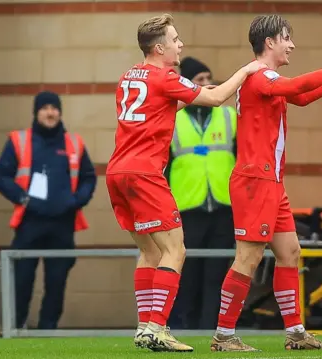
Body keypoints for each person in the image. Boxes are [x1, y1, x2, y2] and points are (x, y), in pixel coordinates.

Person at [105, 13, 265, 352]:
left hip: (118, 171)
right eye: (176, 40)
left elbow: (159, 107)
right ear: (160, 47)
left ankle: (144, 327)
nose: (181, 45)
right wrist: (247, 70)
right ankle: (158, 327)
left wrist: (193, 90)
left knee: (149, 250)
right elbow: (217, 97)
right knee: (175, 250)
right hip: (146, 173)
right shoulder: (166, 76)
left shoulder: (128, 76)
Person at [210, 14, 322, 352]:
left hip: (270, 180)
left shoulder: (266, 77)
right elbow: (296, 88)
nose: (292, 44)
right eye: (286, 38)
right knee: (247, 258)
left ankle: (295, 333)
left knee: (290, 253)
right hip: (255, 180)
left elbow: (302, 97)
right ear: (270, 42)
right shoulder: (259, 75)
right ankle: (223, 336)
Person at [0, 91, 96, 330]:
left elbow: (89, 178)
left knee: (57, 282)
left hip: (63, 223)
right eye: (45, 108)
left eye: (54, 108)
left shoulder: (74, 143)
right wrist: (23, 198)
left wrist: (75, 201)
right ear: (36, 112)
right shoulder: (20, 140)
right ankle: (15, 328)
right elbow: (0, 177)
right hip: (30, 221)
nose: (50, 112)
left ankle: (47, 331)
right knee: (21, 279)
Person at [165, 57, 237, 330]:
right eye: (200, 81)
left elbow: (241, 159)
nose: (207, 84)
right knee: (188, 274)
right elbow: (163, 167)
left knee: (216, 275)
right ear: (187, 85)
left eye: (209, 78)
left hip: (223, 208)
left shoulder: (228, 117)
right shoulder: (172, 120)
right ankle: (185, 329)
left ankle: (211, 329)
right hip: (187, 209)